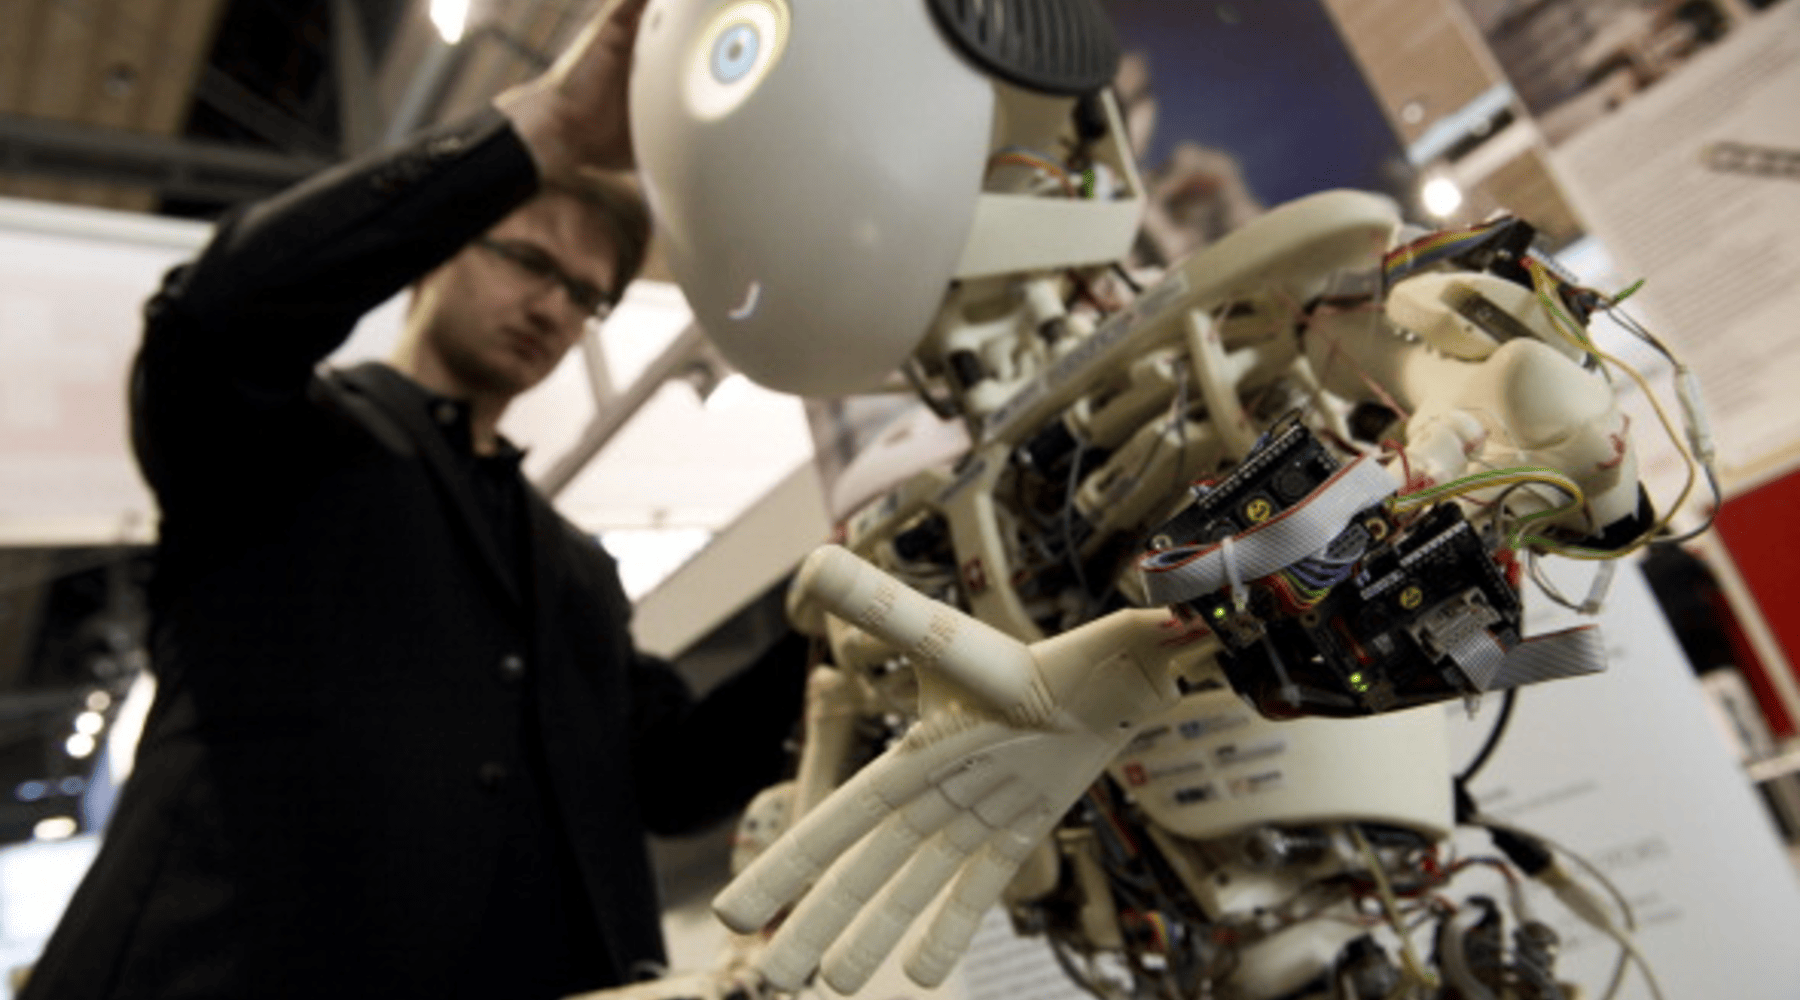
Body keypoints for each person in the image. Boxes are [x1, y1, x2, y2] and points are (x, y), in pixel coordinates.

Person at [22, 1, 809, 997]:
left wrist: (840, 601)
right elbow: (212, 320)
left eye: (585, 293)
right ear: (438, 251)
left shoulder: (573, 567)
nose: (554, 308)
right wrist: (539, 134)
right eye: (529, 260)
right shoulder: (281, 443)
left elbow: (675, 776)